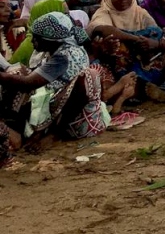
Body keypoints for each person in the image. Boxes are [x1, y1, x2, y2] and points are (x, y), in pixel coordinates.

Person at [0, 12, 106, 160]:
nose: (32, 42)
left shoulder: (63, 57)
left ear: (51, 39)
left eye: (36, 38)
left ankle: (51, 136)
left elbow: (28, 83)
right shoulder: (60, 51)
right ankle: (17, 131)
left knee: (18, 81)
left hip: (73, 120)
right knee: (17, 76)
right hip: (59, 107)